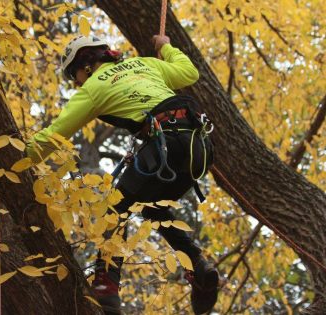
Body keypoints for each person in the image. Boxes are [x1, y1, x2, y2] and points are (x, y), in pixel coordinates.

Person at [25, 35, 219, 314]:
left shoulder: (93, 87)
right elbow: (189, 71)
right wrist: (165, 45)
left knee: (114, 210)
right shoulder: (147, 65)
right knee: (153, 211)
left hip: (165, 149)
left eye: (75, 75)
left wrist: (11, 159)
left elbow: (52, 137)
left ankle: (106, 288)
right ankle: (199, 266)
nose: (77, 82)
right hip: (198, 149)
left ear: (87, 65)